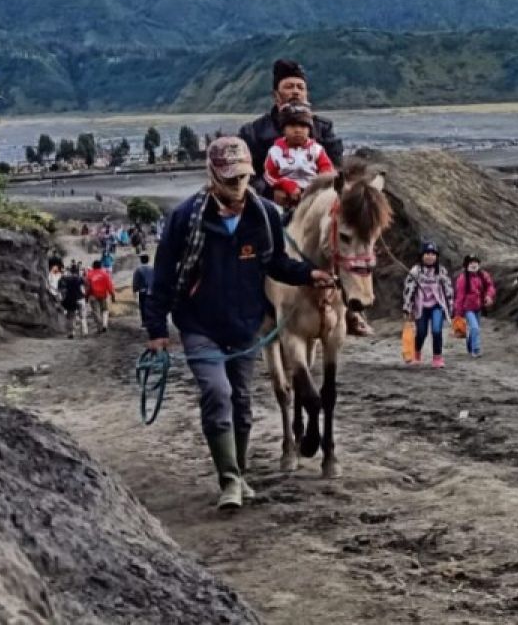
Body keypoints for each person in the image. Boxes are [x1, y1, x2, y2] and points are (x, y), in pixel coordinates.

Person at [144, 136, 335, 510]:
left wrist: (310, 274)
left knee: (242, 403)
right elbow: (163, 276)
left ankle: (240, 472)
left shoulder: (262, 214)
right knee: (218, 394)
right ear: (212, 174)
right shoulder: (185, 218)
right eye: (230, 178)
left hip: (245, 325)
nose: (237, 185)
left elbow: (277, 263)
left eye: (243, 177)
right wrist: (156, 330)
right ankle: (229, 481)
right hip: (198, 324)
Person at [239, 59, 344, 197]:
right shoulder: (253, 132)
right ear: (276, 95)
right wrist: (271, 192)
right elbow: (244, 175)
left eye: (300, 87)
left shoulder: (323, 128)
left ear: (306, 94)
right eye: (289, 87)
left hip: (316, 199)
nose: (296, 92)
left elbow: (336, 168)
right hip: (270, 203)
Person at [262, 103, 336, 208]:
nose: (298, 130)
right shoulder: (275, 151)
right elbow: (269, 175)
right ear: (283, 129)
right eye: (292, 126)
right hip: (286, 194)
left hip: (313, 192)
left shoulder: (316, 149)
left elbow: (327, 168)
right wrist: (285, 185)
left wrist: (319, 185)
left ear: (309, 130)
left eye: (303, 126)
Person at [401, 241, 455, 368]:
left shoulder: (441, 271)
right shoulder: (415, 271)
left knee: (436, 330)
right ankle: (417, 353)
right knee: (421, 332)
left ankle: (437, 358)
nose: (430, 256)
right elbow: (408, 290)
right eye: (427, 253)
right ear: (422, 255)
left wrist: (451, 307)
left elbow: (448, 289)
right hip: (421, 306)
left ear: (436, 256)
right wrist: (407, 308)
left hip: (437, 305)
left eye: (432, 254)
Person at [452, 254, 495, 358]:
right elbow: (460, 296)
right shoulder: (462, 279)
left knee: (474, 328)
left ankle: (470, 346)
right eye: (471, 263)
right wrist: (458, 313)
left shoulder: (483, 275)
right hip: (468, 308)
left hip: (479, 307)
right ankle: (476, 349)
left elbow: (490, 286)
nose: (474, 264)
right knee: (475, 328)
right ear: (466, 265)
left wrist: (489, 296)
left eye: (475, 262)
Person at [87, 259, 116, 333]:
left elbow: (88, 287)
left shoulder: (89, 274)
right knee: (105, 310)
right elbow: (109, 286)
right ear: (101, 266)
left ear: (93, 266)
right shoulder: (105, 274)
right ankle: (104, 325)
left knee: (96, 312)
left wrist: (86, 296)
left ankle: (99, 326)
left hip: (93, 295)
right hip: (103, 295)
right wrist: (112, 295)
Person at [59, 264, 87, 339]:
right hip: (80, 298)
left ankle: (71, 333)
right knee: (82, 316)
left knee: (71, 317)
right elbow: (83, 289)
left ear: (71, 271)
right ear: (78, 271)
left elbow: (63, 290)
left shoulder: (67, 279)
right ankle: (84, 332)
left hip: (71, 299)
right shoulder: (80, 279)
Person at [131, 253, 154, 331]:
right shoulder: (152, 268)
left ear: (141, 260)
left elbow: (135, 281)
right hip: (152, 291)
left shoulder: (138, 269)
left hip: (143, 292)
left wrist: (134, 291)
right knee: (150, 307)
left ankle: (144, 323)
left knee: (143, 307)